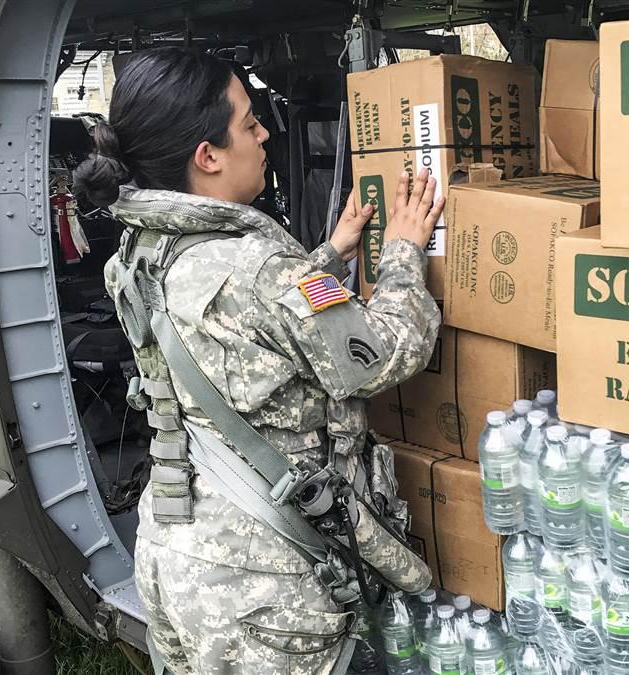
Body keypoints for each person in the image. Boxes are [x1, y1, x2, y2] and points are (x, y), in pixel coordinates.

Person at [72, 48, 443, 674]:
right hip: (265, 588)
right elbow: (383, 355)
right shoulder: (262, 270)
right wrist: (405, 250)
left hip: (178, 555)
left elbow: (237, 333)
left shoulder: (144, 247)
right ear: (208, 156)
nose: (265, 133)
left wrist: (328, 257)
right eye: (249, 123)